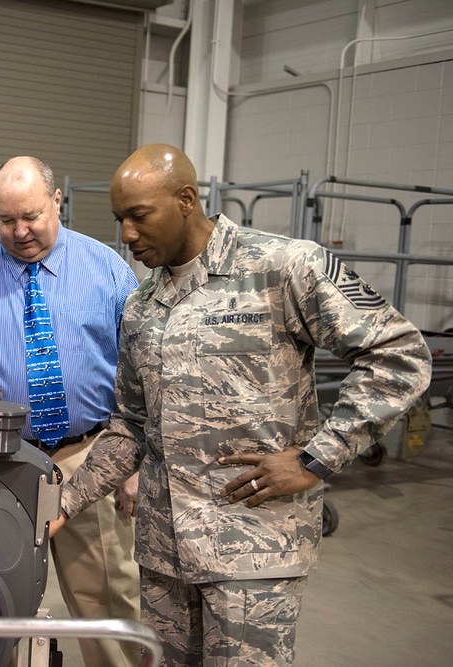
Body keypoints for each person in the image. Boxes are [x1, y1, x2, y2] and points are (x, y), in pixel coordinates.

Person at [49, 143, 433, 666]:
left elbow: (399, 354)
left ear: (186, 199)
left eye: (139, 217)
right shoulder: (142, 306)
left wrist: (316, 458)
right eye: (120, 220)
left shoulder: (284, 268)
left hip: (252, 550)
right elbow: (131, 426)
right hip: (165, 554)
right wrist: (64, 504)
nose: (128, 235)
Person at [0, 155, 142, 667]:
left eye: (32, 216)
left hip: (90, 458)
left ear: (57, 201)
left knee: (109, 603)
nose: (20, 231)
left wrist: (135, 463)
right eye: (6, 220)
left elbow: (140, 376)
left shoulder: (108, 270)